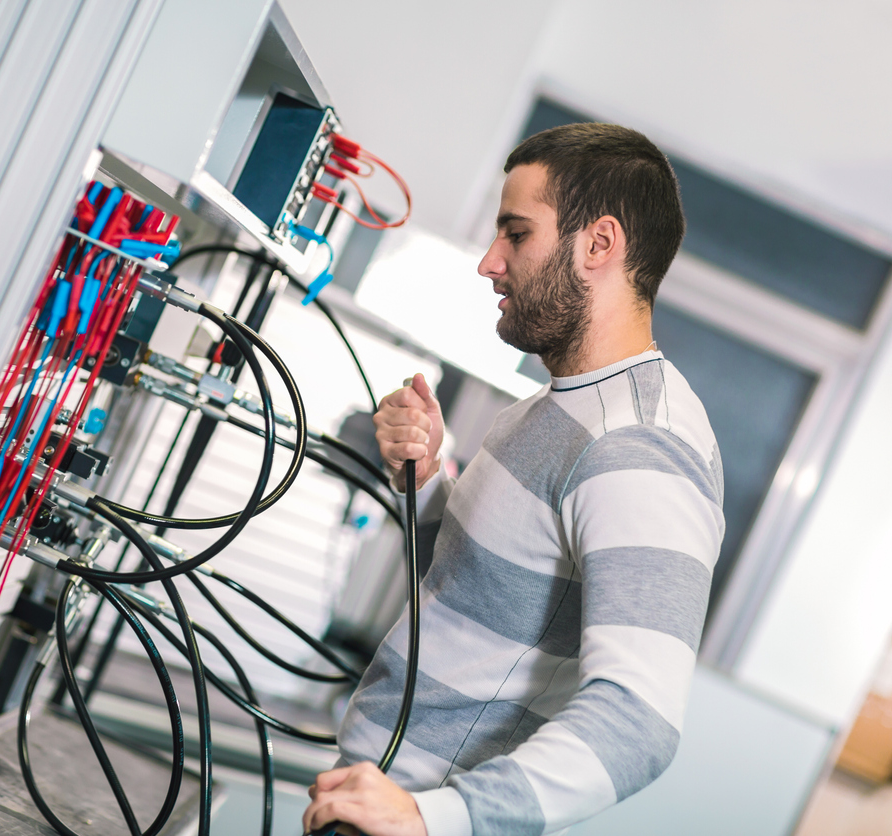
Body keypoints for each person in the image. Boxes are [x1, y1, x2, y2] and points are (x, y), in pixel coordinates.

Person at [302, 122, 725, 836]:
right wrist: (427, 480)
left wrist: (434, 818)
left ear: (599, 245)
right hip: (371, 803)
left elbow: (639, 720)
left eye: (517, 234)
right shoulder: (551, 405)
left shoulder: (642, 444)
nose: (490, 263)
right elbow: (482, 583)